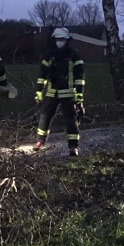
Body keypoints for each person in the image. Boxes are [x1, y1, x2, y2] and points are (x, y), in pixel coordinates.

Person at [33, 27, 85, 157]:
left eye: (62, 39)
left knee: (71, 120)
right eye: (57, 39)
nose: (59, 42)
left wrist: (79, 95)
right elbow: (42, 75)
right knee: (44, 116)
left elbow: (79, 77)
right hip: (52, 92)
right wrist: (39, 91)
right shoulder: (49, 56)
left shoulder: (74, 56)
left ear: (67, 40)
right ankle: (40, 141)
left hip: (68, 93)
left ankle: (73, 146)